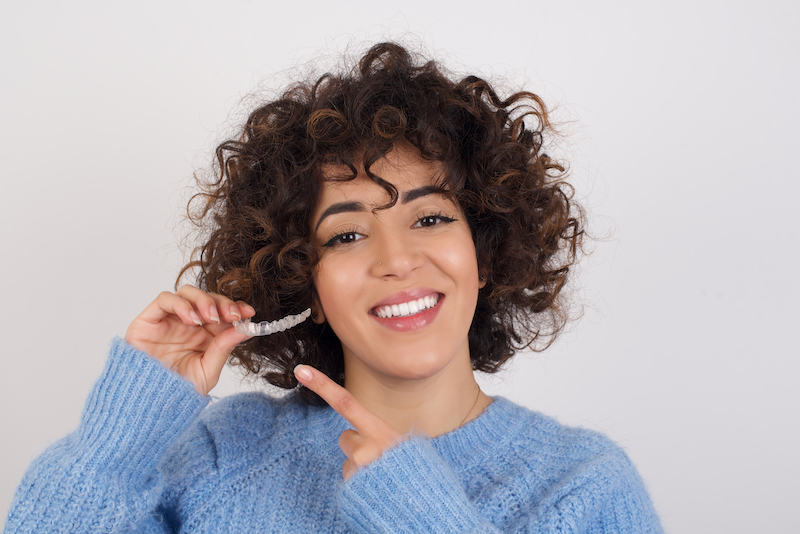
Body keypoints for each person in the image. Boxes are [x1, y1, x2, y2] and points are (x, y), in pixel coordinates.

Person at [4, 42, 664, 533]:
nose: (397, 259)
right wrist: (122, 437)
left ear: (485, 253)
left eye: (430, 219)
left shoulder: (583, 487)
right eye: (347, 235)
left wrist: (416, 512)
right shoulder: (217, 456)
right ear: (306, 284)